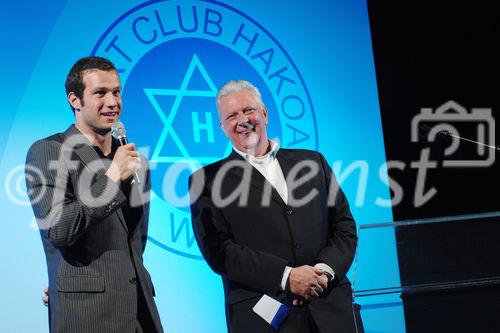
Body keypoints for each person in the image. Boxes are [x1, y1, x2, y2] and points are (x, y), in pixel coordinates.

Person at [189, 80, 363, 333]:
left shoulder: (313, 162)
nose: (243, 120)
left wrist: (323, 273)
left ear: (265, 114)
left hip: (332, 310)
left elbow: (344, 225)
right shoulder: (206, 181)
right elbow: (220, 252)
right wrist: (287, 276)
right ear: (223, 127)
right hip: (265, 318)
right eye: (232, 115)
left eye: (249, 110)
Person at [25, 56, 163, 332]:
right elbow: (59, 228)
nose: (112, 102)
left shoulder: (135, 162)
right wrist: (112, 177)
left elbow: (134, 242)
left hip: (139, 313)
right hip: (86, 315)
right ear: (75, 100)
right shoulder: (50, 152)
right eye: (100, 93)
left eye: (116, 92)